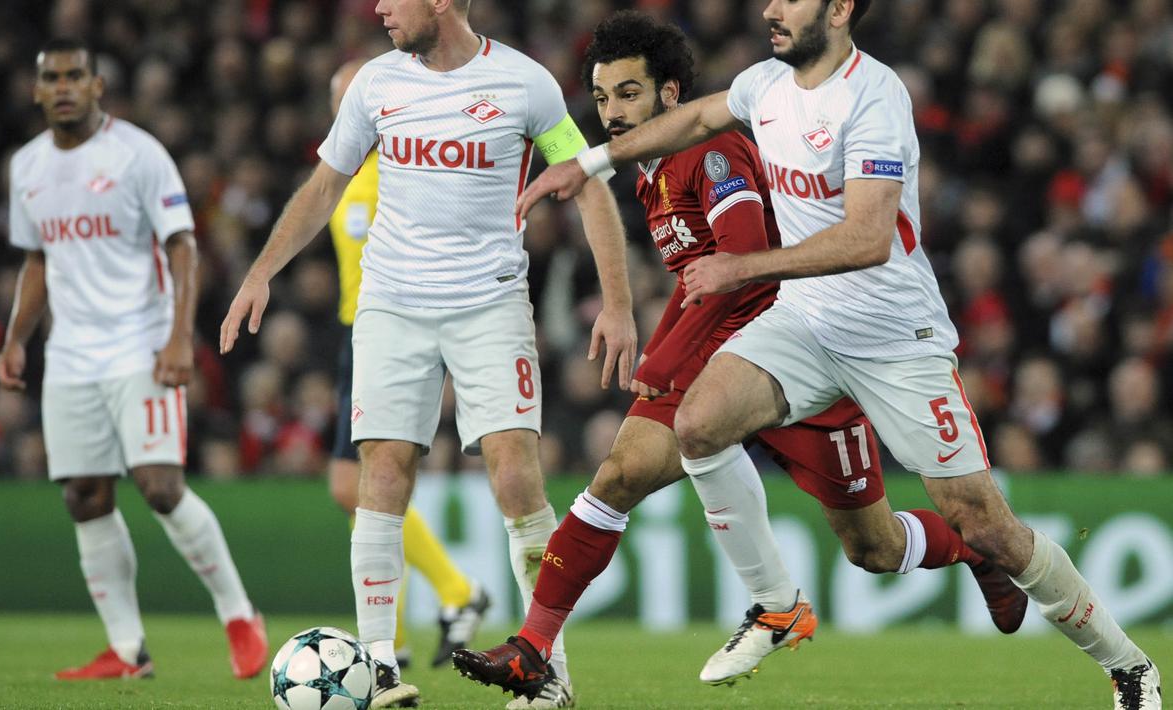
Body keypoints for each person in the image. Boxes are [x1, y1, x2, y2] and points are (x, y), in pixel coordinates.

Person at [519, 1, 1163, 708]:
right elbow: (699, 116)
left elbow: (866, 240)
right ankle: (775, 604)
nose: (770, 9)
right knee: (698, 423)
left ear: (837, 8)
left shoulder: (874, 97)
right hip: (802, 324)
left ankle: (1126, 664)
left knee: (981, 523)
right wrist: (590, 160)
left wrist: (740, 267)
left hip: (893, 339)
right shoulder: (764, 82)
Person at [220, 1, 637, 706]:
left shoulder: (524, 83)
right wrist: (260, 272)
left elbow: (588, 185)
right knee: (379, 476)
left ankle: (545, 669)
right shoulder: (374, 83)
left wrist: (619, 304)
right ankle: (379, 666)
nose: (379, 7)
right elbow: (325, 185)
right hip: (390, 306)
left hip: (490, 304)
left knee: (515, 479)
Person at [0, 38, 267, 681]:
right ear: (37, 91)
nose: (63, 86)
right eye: (51, 78)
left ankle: (238, 614)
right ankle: (126, 650)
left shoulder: (138, 154)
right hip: (69, 356)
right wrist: (15, 337)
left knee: (160, 486)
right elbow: (38, 259)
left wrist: (178, 338)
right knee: (86, 496)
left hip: (138, 342)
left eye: (75, 76)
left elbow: (183, 247)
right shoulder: (27, 166)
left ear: (96, 87)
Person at [325, 60, 490, 670]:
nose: (351, 115)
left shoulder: (406, 167)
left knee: (358, 486)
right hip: (355, 333)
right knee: (363, 488)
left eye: (355, 103)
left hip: (394, 333)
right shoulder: (346, 174)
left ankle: (450, 596)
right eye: (339, 104)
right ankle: (398, 632)